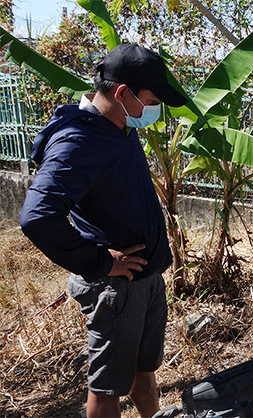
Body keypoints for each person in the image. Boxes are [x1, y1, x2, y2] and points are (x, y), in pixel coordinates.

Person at [18, 44, 188, 417]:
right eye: (151, 100)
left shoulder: (119, 126)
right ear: (123, 94)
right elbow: (36, 216)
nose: (154, 110)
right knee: (108, 387)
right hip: (116, 289)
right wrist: (98, 261)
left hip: (145, 280)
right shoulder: (78, 140)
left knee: (145, 374)